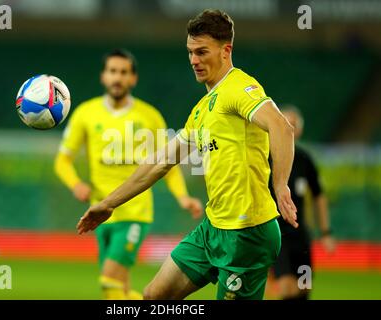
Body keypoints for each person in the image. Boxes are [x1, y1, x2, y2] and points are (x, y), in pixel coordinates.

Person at [76, 10, 298, 300]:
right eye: (190, 52)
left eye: (202, 51)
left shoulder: (239, 88)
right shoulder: (202, 109)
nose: (194, 60)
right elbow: (160, 162)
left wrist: (280, 184)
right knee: (154, 296)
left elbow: (282, 127)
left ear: (225, 51)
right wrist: (108, 204)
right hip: (213, 227)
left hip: (247, 232)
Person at [54, 49, 203, 300]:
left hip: (135, 211)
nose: (117, 78)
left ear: (133, 79)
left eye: (123, 72)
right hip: (100, 213)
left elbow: (168, 163)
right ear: (103, 76)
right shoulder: (85, 113)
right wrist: (75, 183)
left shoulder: (149, 116)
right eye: (112, 71)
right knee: (119, 290)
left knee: (109, 281)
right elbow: (62, 160)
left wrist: (182, 197)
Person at [269, 106, 335, 300]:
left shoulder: (305, 159)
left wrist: (325, 232)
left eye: (294, 124)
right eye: (285, 122)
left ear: (299, 130)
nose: (289, 127)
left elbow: (319, 195)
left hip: (300, 235)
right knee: (285, 288)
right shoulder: (266, 157)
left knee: (304, 287)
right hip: (277, 235)